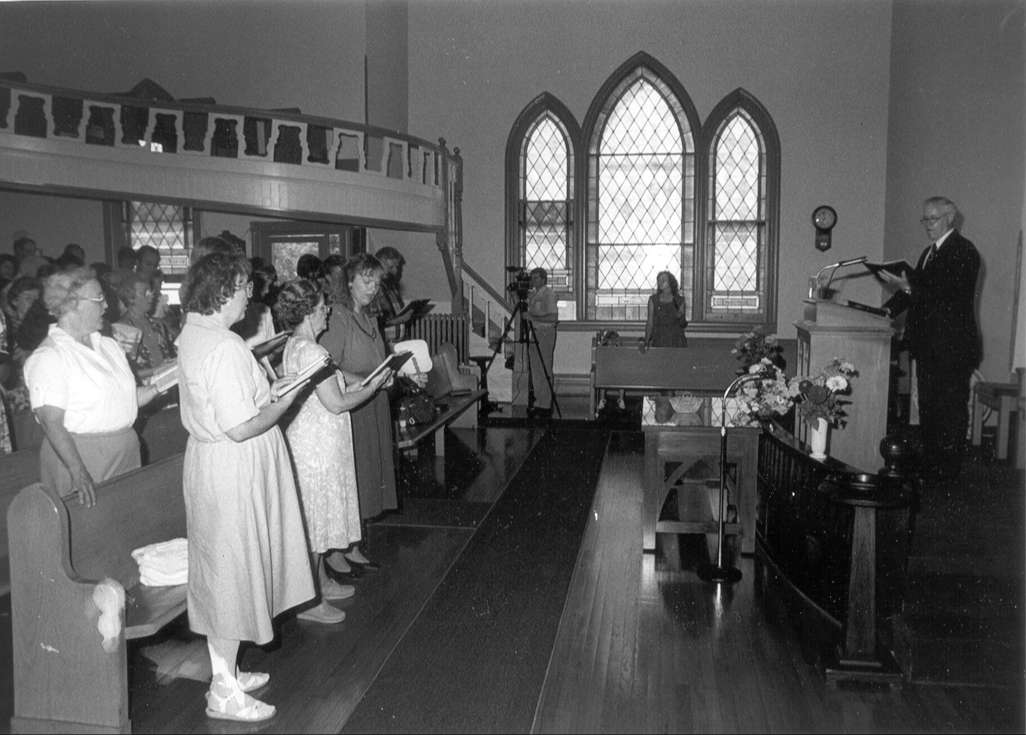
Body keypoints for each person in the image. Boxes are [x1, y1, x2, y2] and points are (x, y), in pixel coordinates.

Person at [176, 252, 318, 723]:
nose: (249, 296)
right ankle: (223, 692)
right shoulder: (224, 346)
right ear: (221, 292)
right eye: (242, 287)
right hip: (234, 466)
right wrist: (291, 395)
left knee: (229, 572)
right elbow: (241, 427)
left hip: (215, 464)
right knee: (231, 577)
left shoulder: (198, 334)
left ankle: (227, 670)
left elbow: (227, 407)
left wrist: (266, 393)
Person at [275, 279, 391, 614]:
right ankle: (309, 601)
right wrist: (375, 386)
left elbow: (333, 378)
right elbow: (337, 402)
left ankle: (321, 581)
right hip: (318, 446)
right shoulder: (313, 350)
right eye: (323, 306)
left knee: (317, 516)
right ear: (309, 312)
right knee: (316, 520)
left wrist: (366, 379)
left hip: (313, 440)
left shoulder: (296, 345)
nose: (328, 310)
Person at [22, 268, 164, 506]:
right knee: (92, 535)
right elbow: (51, 422)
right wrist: (77, 471)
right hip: (82, 457)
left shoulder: (108, 345)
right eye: (99, 298)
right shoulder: (50, 356)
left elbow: (121, 399)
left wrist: (160, 385)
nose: (106, 305)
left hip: (124, 451)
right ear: (71, 304)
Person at [880, 196, 981, 482]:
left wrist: (909, 288)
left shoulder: (964, 252)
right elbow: (915, 290)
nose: (927, 225)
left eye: (933, 219)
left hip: (952, 347)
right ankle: (932, 467)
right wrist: (883, 311)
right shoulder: (929, 252)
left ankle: (947, 474)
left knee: (949, 411)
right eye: (924, 219)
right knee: (929, 409)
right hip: (928, 346)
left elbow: (947, 298)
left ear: (950, 218)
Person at [319, 253, 396, 570]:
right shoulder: (338, 316)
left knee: (367, 474)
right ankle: (338, 550)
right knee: (353, 476)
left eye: (377, 281)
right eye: (366, 280)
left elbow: (378, 357)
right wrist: (364, 381)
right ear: (348, 281)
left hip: (373, 400)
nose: (372, 287)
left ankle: (353, 543)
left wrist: (388, 373)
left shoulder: (370, 317)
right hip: (352, 404)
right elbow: (326, 365)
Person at [114, 272, 176, 379]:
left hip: (167, 386)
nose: (151, 295)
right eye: (145, 293)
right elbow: (125, 373)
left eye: (150, 291)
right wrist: (159, 370)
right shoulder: (121, 330)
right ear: (130, 298)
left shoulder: (159, 325)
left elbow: (172, 354)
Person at [526, 266, 558, 418]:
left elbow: (553, 317)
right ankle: (539, 402)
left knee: (544, 366)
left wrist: (533, 318)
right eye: (532, 278)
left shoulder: (548, 294)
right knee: (535, 368)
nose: (533, 280)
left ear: (543, 279)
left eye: (536, 278)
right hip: (535, 333)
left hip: (545, 332)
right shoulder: (533, 294)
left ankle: (546, 404)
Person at [372, 246, 410, 344]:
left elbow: (395, 313)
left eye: (397, 267)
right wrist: (397, 321)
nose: (395, 271)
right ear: (378, 264)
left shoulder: (392, 286)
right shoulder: (372, 289)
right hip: (384, 343)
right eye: (391, 267)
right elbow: (374, 321)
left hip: (398, 342)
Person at [645, 271, 688, 349]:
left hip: (676, 341)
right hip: (659, 340)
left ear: (670, 282)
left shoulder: (679, 300)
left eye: (663, 280)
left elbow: (683, 324)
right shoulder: (653, 300)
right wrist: (646, 341)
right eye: (658, 280)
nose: (660, 282)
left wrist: (680, 316)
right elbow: (650, 323)